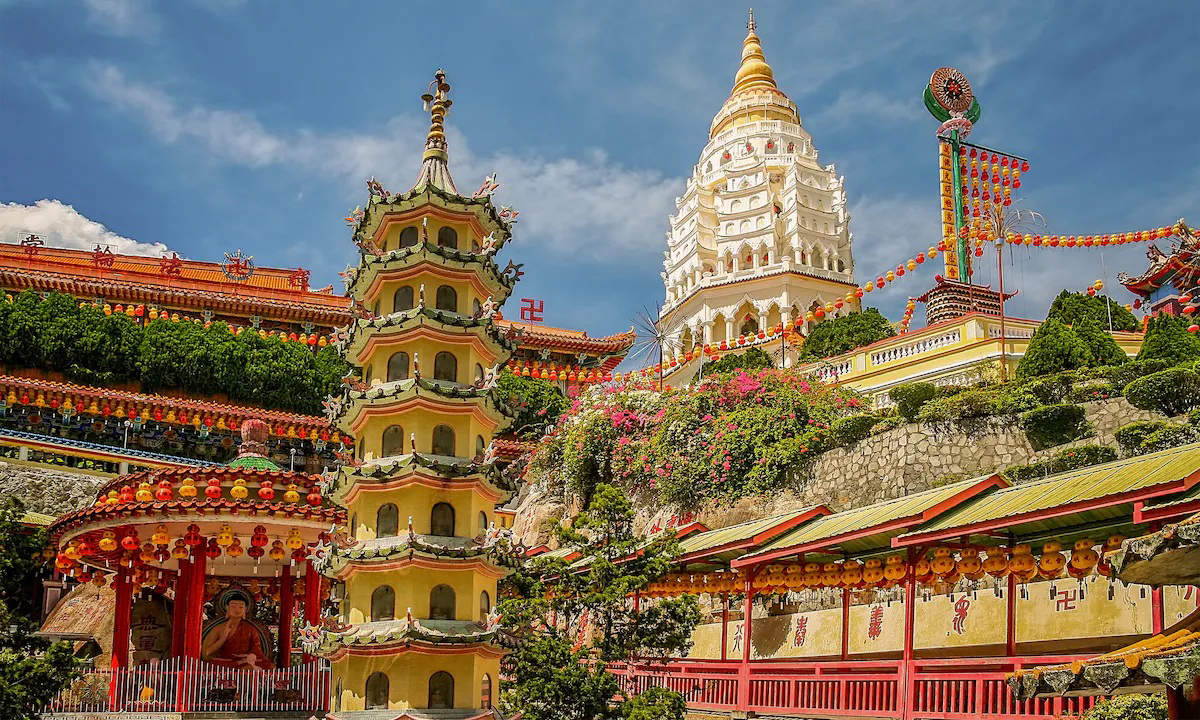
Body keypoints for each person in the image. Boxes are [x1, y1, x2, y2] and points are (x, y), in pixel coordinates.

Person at [201, 596, 274, 670]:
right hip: (226, 662)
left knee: (270, 667)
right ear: (227, 608)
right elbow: (207, 652)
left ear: (245, 609)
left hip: (245, 661)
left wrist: (250, 656)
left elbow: (256, 649)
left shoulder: (251, 629)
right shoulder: (218, 628)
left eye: (241, 607)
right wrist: (223, 638)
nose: (237, 609)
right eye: (233, 606)